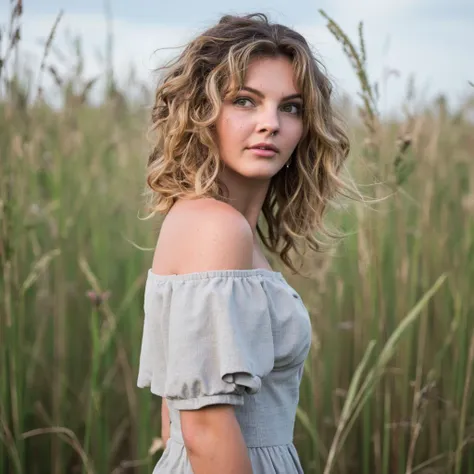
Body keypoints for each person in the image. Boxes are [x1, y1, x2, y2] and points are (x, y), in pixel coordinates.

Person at [137, 12, 350, 474]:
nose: (270, 123)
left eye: (290, 107)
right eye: (245, 101)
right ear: (202, 112)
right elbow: (204, 432)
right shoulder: (215, 228)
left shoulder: (209, 223)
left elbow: (174, 419)